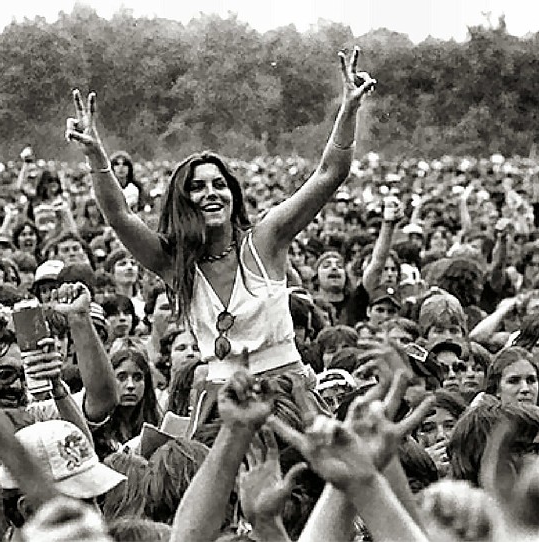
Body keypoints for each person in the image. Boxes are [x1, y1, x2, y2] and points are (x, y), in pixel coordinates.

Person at [66, 47, 376, 385]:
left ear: (233, 195)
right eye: (197, 188)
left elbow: (329, 173)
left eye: (219, 184)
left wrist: (349, 109)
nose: (211, 192)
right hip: (222, 405)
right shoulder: (175, 263)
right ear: (183, 203)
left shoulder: (265, 241)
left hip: (290, 398)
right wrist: (96, 154)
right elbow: (120, 215)